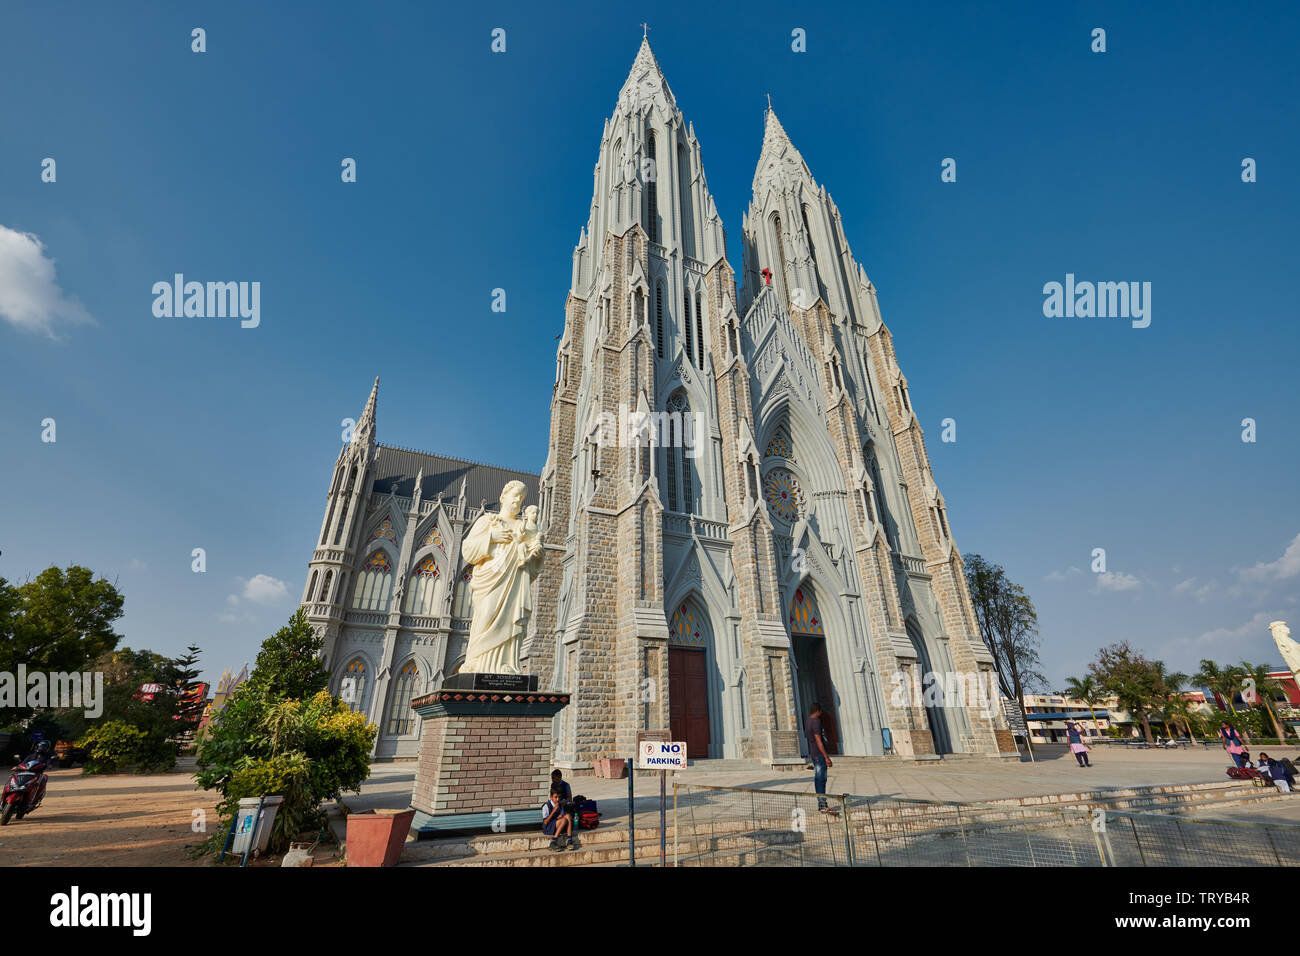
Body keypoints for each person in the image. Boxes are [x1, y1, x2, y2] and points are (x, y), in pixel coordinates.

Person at [805, 702, 835, 814]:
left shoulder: (808, 721)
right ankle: (822, 804)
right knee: (821, 779)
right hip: (819, 754)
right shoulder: (816, 722)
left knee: (818, 779)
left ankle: (821, 804)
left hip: (813, 753)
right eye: (820, 711)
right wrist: (826, 757)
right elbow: (818, 740)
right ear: (817, 711)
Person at [542, 784, 575, 850]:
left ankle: (569, 840)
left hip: (558, 824)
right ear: (551, 797)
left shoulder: (560, 804)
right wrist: (553, 811)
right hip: (549, 826)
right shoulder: (546, 806)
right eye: (555, 797)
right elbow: (545, 822)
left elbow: (561, 815)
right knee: (564, 820)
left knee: (568, 816)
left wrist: (561, 816)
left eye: (559, 797)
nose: (558, 799)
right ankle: (553, 841)